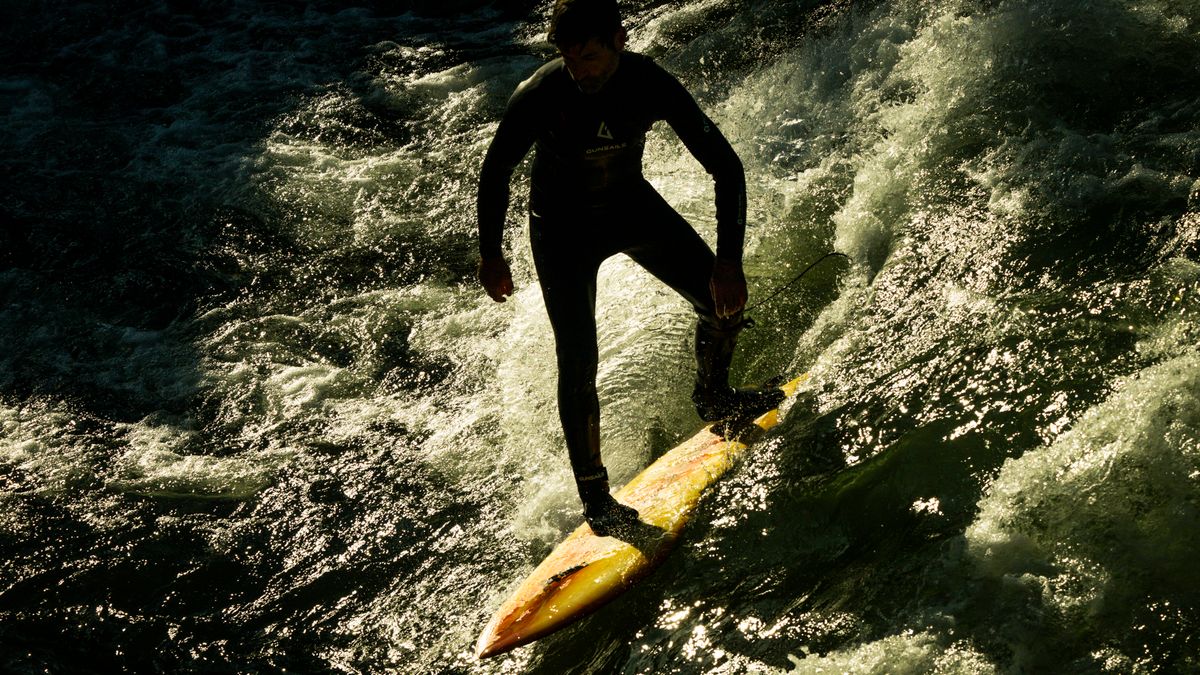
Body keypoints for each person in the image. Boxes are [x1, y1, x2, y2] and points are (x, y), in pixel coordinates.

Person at [476, 0, 782, 536]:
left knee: (721, 299)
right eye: (568, 58)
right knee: (578, 358)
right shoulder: (542, 94)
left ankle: (714, 396)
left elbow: (726, 167)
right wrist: (492, 253)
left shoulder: (650, 83)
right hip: (561, 229)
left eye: (589, 56)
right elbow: (496, 171)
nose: (579, 70)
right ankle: (596, 500)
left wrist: (729, 261)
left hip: (629, 207)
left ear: (619, 40)